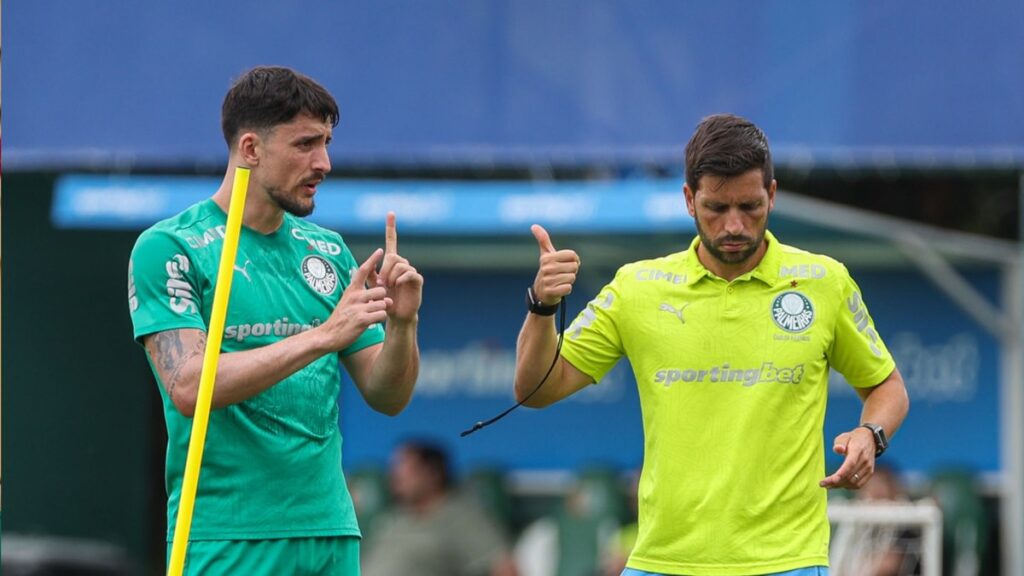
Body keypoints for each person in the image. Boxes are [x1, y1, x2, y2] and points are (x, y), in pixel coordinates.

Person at [513, 114, 910, 575]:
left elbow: (888, 387)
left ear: (772, 195)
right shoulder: (637, 288)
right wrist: (542, 306)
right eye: (716, 209)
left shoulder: (825, 282)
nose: (734, 225)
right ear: (689, 199)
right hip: (663, 561)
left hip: (788, 562)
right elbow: (535, 390)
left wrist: (870, 434)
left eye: (750, 206)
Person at [128, 66, 423, 575]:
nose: (324, 163)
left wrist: (403, 325)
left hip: (330, 531)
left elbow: (388, 395)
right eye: (305, 144)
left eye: (326, 143)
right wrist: (323, 337)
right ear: (250, 149)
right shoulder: (171, 247)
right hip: (227, 535)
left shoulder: (328, 251)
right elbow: (189, 385)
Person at [362, 440, 518, 576]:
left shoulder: (462, 517)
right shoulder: (394, 516)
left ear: (432, 473)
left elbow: (504, 567)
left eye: (404, 470)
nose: (395, 477)